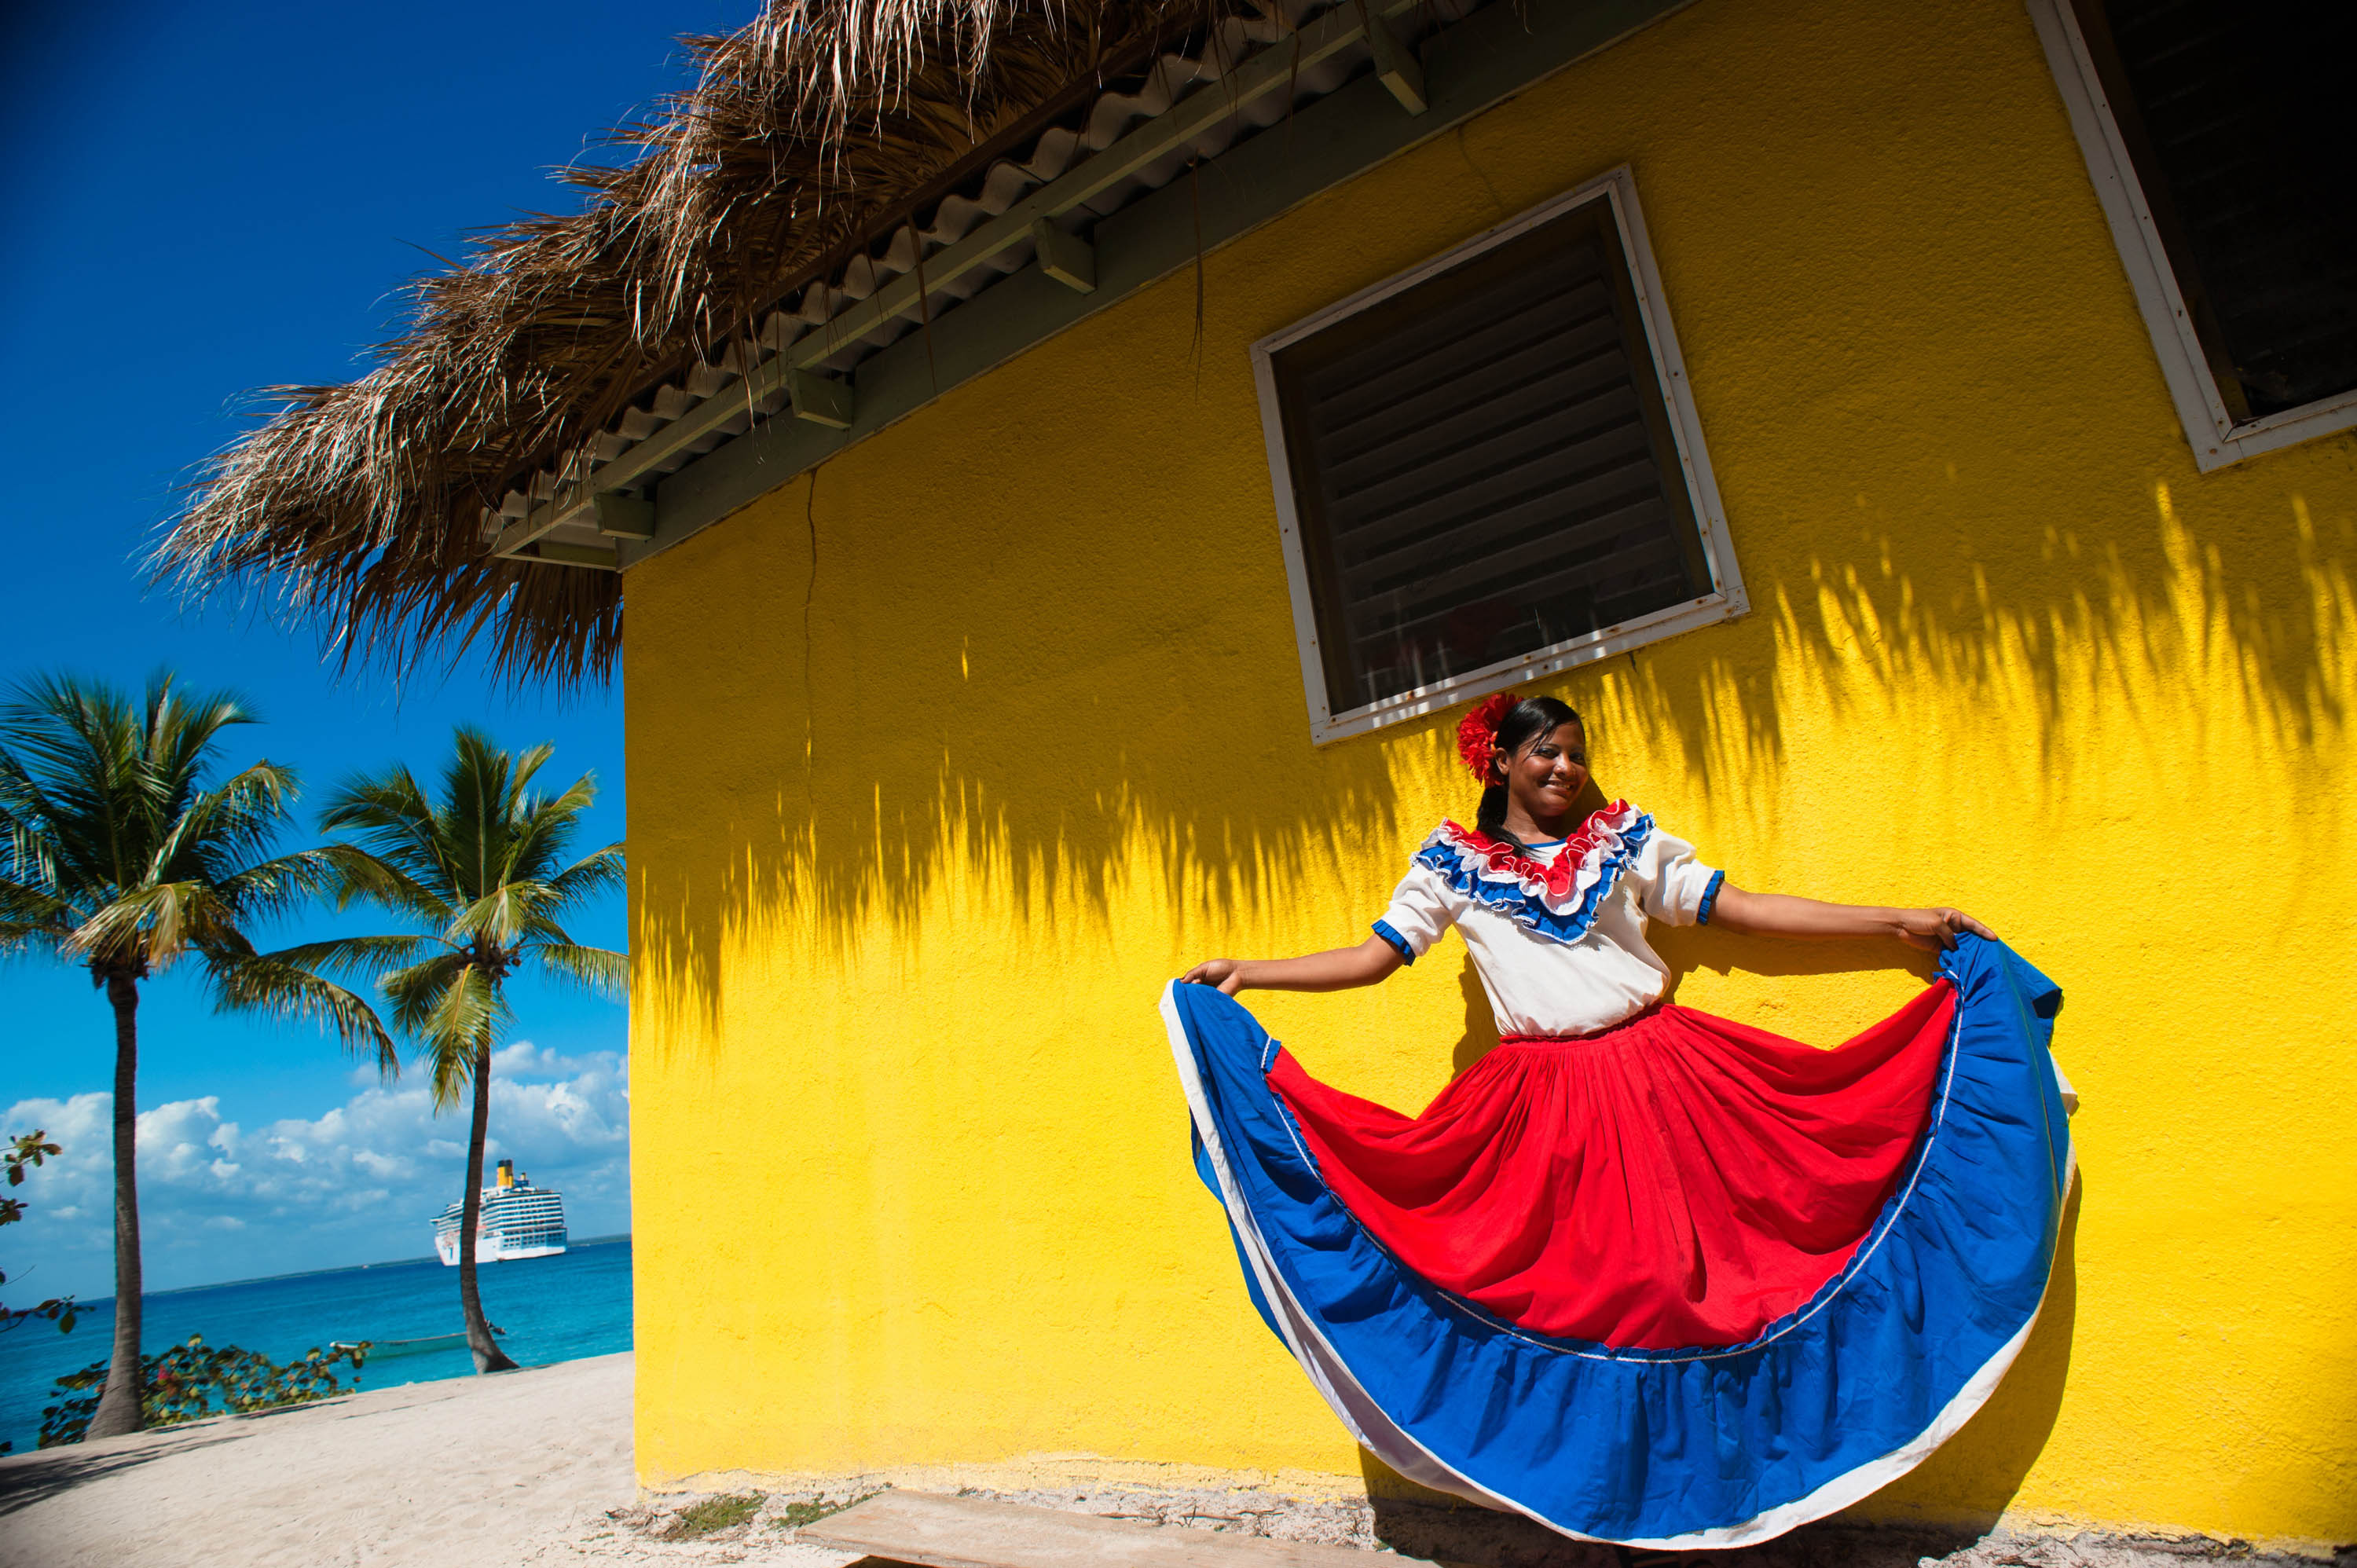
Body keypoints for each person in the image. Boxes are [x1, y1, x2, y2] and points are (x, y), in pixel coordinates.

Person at [1164, 691, 2074, 1549]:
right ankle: (1623, 1517)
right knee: (1599, 1302)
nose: (1566, 767)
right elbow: (1373, 958)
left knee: (1717, 1286)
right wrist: (1254, 971)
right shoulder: (1452, 866)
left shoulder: (1623, 841)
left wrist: (1893, 921)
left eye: (1575, 754)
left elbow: (1744, 909)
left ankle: (1724, 1502)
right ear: (1500, 762)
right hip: (1542, 1111)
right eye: (1546, 751)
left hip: (1668, 1080)